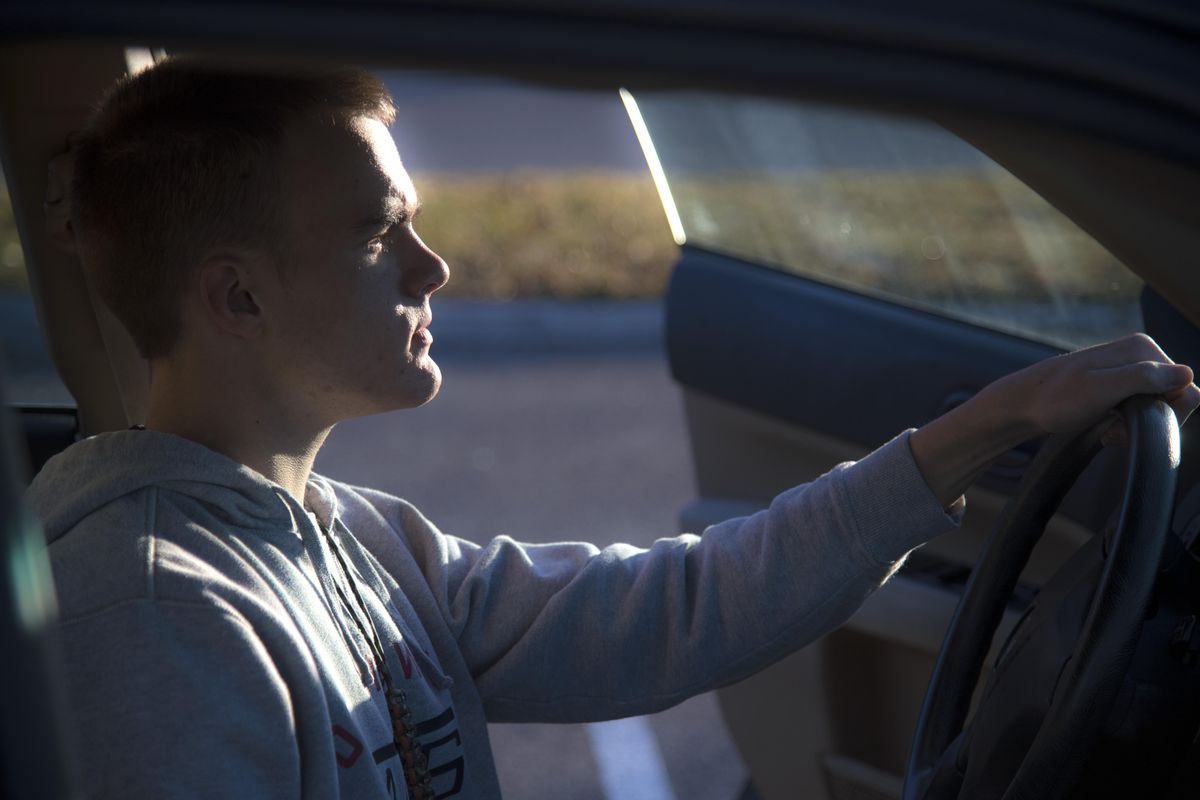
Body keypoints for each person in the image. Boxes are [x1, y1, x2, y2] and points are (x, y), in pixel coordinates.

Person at [27, 58, 1200, 799]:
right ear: (237, 297)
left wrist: (973, 432)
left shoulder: (346, 535)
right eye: (380, 233)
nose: (434, 265)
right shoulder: (156, 614)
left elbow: (662, 611)